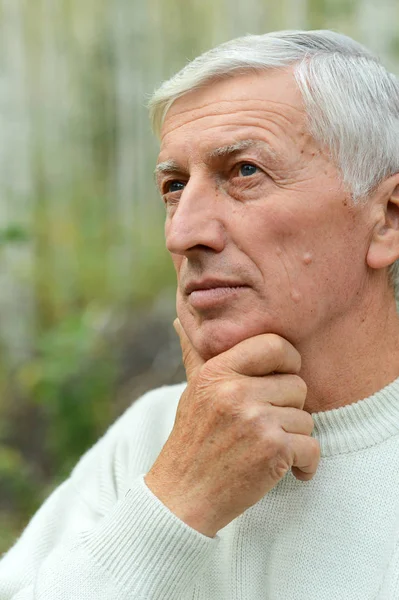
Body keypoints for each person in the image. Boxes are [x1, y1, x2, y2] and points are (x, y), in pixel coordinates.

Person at [1, 29, 399, 600]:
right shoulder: (154, 437)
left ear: (386, 218)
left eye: (244, 172)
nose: (183, 233)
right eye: (174, 186)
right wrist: (177, 499)